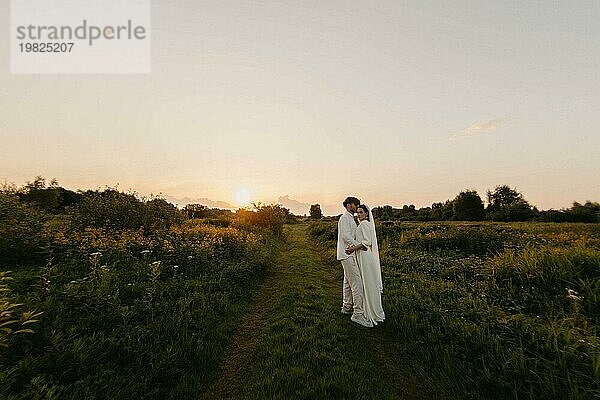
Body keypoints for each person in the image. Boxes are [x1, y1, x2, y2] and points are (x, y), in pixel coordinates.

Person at [345, 204, 385, 326]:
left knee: (367, 282)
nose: (359, 214)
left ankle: (369, 311)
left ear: (367, 214)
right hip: (361, 256)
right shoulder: (361, 225)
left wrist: (352, 249)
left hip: (364, 257)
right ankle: (363, 308)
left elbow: (366, 243)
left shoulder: (365, 225)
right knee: (363, 281)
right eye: (358, 212)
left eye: (361, 212)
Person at [337, 196, 373, 328]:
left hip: (347, 253)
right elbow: (346, 236)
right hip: (347, 253)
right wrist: (357, 245)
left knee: (347, 282)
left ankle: (347, 307)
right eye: (354, 204)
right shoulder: (344, 218)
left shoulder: (350, 218)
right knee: (357, 282)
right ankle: (357, 313)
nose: (356, 207)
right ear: (348, 205)